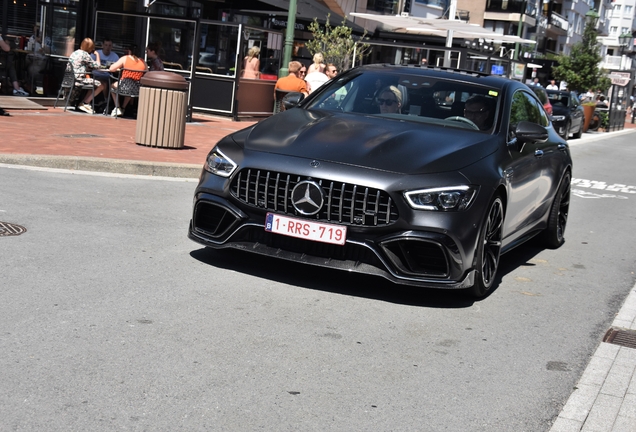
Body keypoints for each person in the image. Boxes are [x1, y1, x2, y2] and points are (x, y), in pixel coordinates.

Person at [107, 44, 147, 117]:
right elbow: (147, 73)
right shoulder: (143, 62)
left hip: (124, 86)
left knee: (112, 86)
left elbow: (111, 69)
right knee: (130, 88)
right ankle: (123, 108)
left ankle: (117, 107)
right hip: (136, 88)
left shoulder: (125, 58)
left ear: (129, 51)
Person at [68, 38, 106, 113]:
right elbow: (97, 65)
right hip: (79, 80)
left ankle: (83, 103)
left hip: (70, 78)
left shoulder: (75, 52)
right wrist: (97, 54)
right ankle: (85, 103)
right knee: (102, 85)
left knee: (92, 84)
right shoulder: (85, 54)